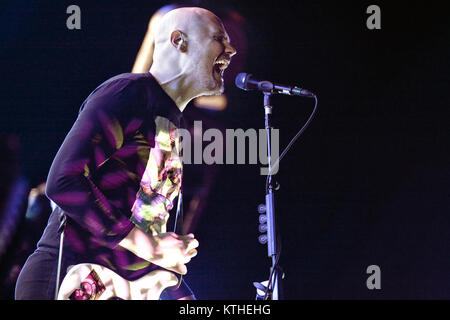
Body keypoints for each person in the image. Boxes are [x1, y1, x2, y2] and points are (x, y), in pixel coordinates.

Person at [15, 7, 236, 300]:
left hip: (116, 285)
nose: (231, 50)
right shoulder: (128, 93)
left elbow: (138, 225)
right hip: (69, 279)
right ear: (179, 41)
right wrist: (150, 246)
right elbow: (63, 182)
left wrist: (168, 265)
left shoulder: (170, 123)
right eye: (219, 38)